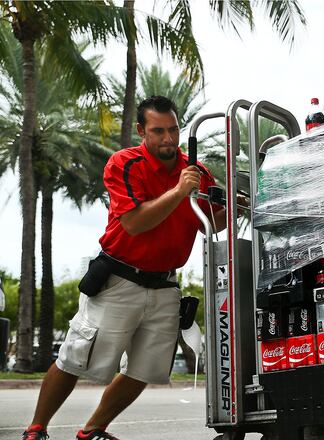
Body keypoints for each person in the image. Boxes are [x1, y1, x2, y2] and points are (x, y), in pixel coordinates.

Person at [23, 96, 226, 440]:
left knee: (145, 368)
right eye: (158, 131)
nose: (168, 139)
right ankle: (36, 429)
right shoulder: (125, 163)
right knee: (76, 358)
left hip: (165, 285)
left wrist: (237, 205)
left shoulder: (197, 171)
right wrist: (179, 192)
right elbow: (133, 223)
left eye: (173, 130)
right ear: (140, 131)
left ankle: (93, 430)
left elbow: (211, 222)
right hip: (119, 278)